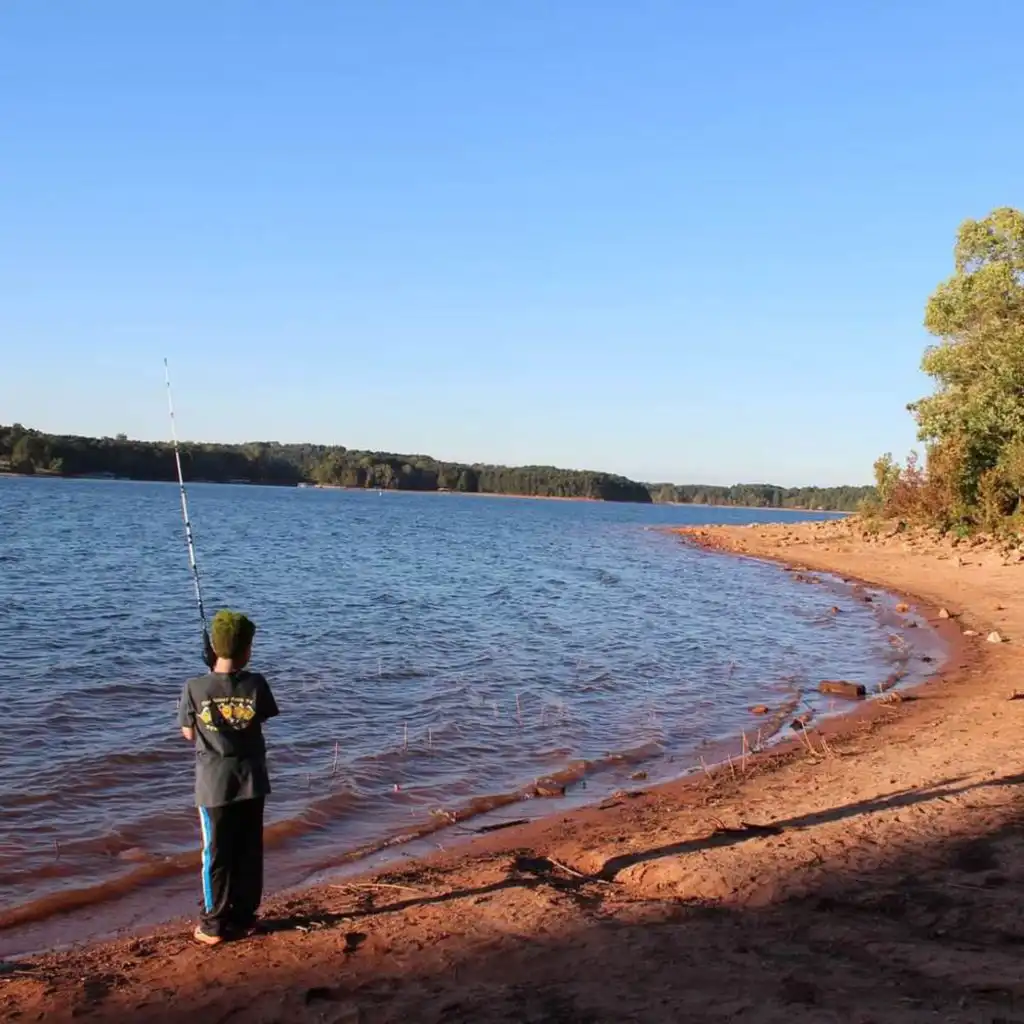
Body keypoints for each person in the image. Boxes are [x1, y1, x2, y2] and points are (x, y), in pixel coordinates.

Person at [177, 609, 279, 945]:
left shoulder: (194, 687)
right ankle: (244, 916)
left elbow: (188, 734)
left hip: (213, 786)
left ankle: (213, 924)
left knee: (215, 853)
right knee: (249, 850)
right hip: (252, 781)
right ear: (247, 650)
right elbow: (259, 717)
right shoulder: (256, 683)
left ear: (213, 649)